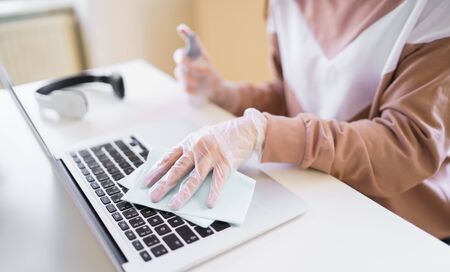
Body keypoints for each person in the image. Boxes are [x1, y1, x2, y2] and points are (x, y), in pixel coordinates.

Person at [141, 0, 450, 240]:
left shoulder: (435, 12)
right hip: (315, 199)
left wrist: (260, 132)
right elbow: (289, 98)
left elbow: (404, 147)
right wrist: (226, 95)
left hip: (406, 229)